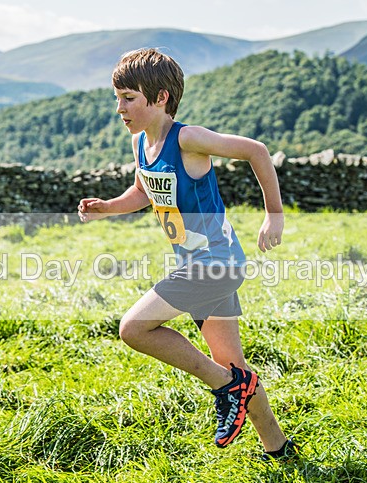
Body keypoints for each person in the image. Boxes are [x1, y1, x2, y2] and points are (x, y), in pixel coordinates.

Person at [78, 48, 297, 461]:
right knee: (233, 362)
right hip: (197, 266)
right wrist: (108, 206)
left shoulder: (188, 139)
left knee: (133, 329)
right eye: (117, 98)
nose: (120, 109)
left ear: (160, 98)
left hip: (215, 264)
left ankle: (225, 387)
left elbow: (257, 151)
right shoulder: (142, 143)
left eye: (129, 98)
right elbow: (144, 191)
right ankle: (279, 448)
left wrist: (274, 215)